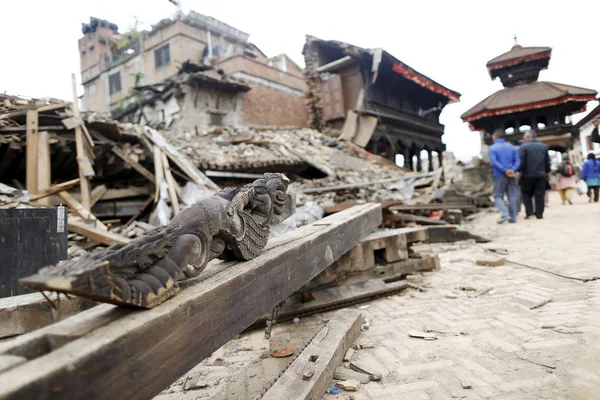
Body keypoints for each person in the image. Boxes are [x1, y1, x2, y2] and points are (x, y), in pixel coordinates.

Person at [488, 130, 520, 224]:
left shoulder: (493, 148)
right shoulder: (512, 148)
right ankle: (513, 218)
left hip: (499, 174)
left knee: (497, 195)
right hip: (512, 174)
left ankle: (504, 214)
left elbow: (494, 162)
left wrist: (504, 170)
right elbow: (517, 161)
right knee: (512, 196)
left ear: (495, 137)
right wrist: (512, 170)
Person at [519, 130, 550, 219]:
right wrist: (547, 171)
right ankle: (539, 214)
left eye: (524, 137)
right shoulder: (543, 146)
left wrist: (518, 170)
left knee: (526, 194)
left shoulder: (523, 147)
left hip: (527, 175)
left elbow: (522, 161)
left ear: (528, 137)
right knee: (540, 194)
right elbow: (547, 161)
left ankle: (529, 212)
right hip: (541, 175)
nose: (523, 139)